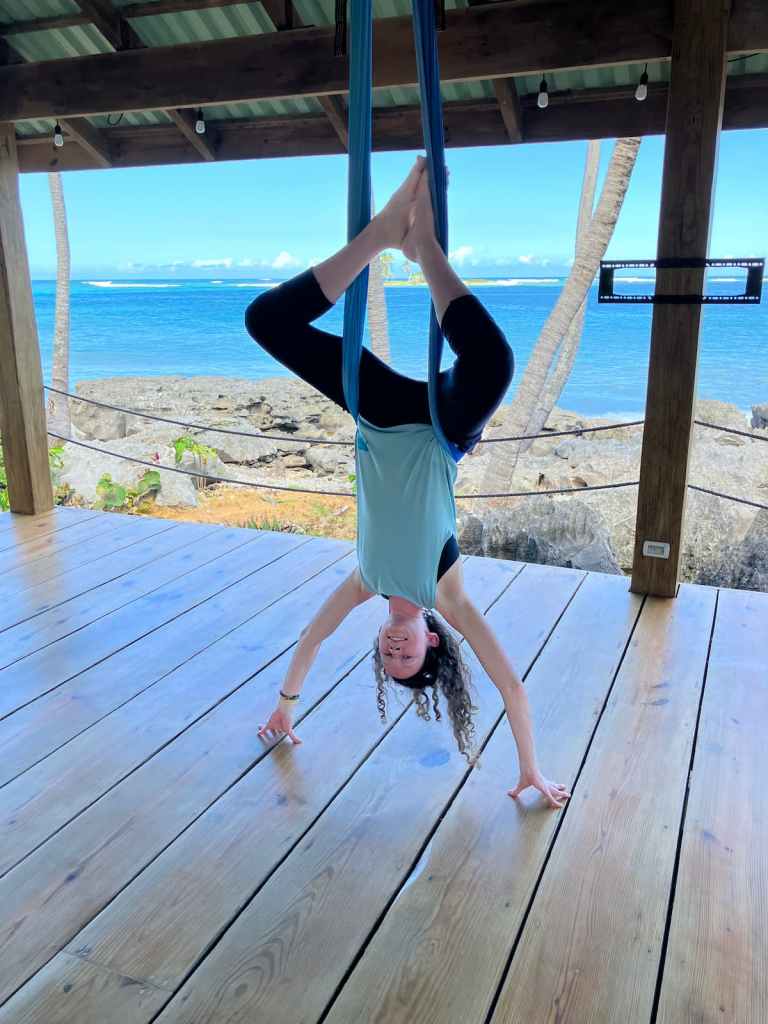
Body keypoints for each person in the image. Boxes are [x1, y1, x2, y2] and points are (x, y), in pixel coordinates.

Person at [245, 157, 569, 809]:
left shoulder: (366, 579)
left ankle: (380, 237)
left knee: (265, 322)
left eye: (389, 659)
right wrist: (532, 768)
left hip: (382, 412)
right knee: (495, 363)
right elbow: (512, 687)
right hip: (441, 428)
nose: (396, 650)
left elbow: (312, 638)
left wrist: (285, 707)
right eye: (409, 656)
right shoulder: (446, 595)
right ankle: (421, 249)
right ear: (431, 639)